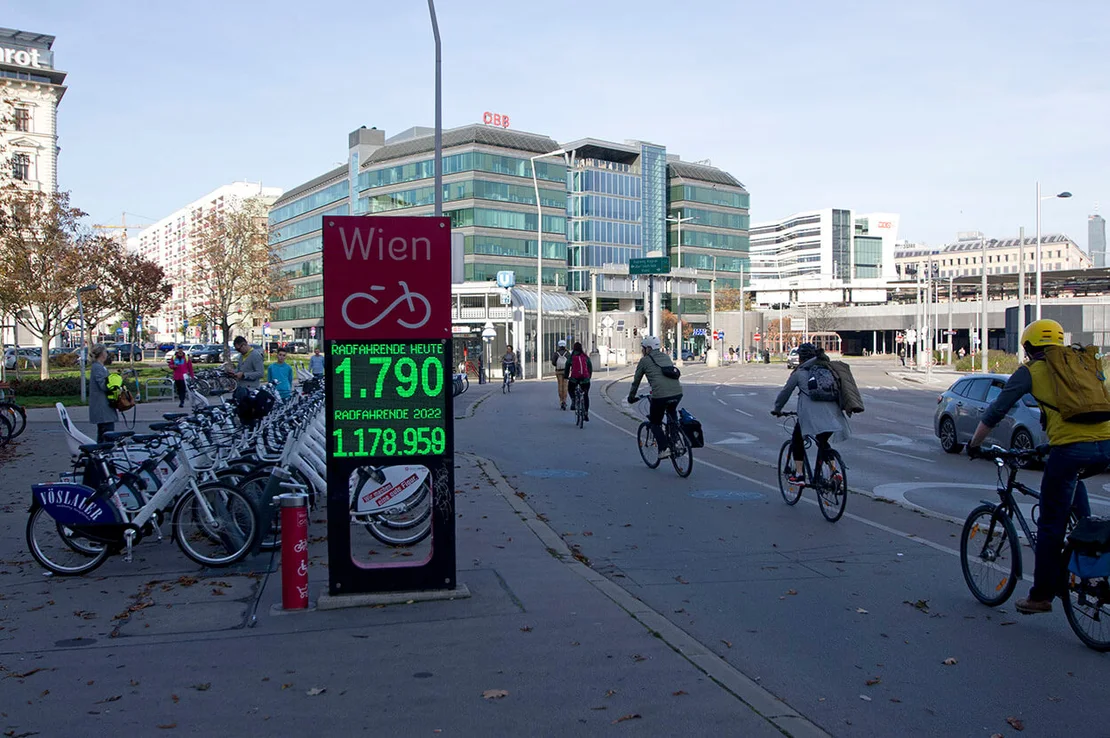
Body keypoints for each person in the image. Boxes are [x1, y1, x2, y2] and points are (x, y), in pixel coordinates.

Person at [968, 319, 1107, 615]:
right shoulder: (1084, 364)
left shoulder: (1031, 371)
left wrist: (974, 444)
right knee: (1073, 487)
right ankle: (1086, 537)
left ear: (1029, 348)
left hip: (1071, 449)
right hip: (1106, 446)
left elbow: (996, 410)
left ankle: (1041, 596)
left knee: (1049, 526)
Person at [771, 343, 851, 484]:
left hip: (810, 416)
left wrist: (777, 409)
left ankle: (800, 474)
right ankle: (834, 472)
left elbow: (785, 393)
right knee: (822, 441)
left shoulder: (800, 373)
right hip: (834, 415)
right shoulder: (828, 368)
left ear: (800, 358)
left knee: (797, 438)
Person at [626, 336, 683, 457]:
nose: (642, 350)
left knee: (655, 422)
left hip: (660, 395)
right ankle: (676, 441)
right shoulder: (666, 357)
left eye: (643, 348)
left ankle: (664, 449)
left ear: (648, 348)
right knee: (672, 414)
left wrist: (631, 397)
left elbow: (636, 381)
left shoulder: (644, 361)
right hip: (677, 393)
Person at [88, 343, 117, 442]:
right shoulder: (97, 367)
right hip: (102, 407)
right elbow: (104, 385)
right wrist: (116, 383)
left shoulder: (100, 366)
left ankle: (100, 454)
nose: (107, 354)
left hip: (104, 408)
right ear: (101, 354)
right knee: (107, 435)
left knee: (103, 435)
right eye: (105, 351)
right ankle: (104, 454)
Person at [564, 341, 593, 420]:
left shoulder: (572, 357)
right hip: (585, 379)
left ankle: (573, 400)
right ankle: (586, 413)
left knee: (570, 389)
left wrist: (566, 376)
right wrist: (589, 377)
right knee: (586, 394)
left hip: (574, 379)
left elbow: (567, 365)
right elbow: (590, 367)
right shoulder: (585, 357)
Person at [552, 339, 571, 410]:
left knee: (560, 385)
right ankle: (565, 400)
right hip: (566, 371)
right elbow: (570, 362)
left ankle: (561, 400)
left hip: (558, 371)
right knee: (565, 385)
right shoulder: (567, 353)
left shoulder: (556, 353)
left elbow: (553, 362)